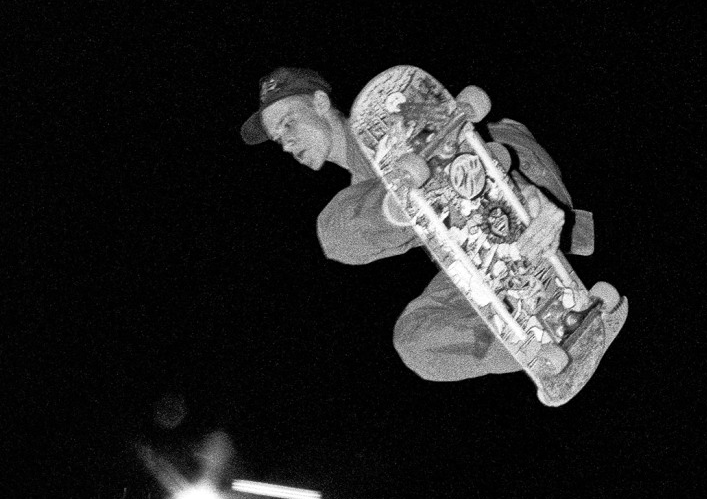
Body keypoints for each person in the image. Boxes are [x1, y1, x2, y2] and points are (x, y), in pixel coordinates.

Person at [240, 66, 626, 382]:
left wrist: (524, 192)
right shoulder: (363, 190)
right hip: (478, 246)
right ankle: (545, 348)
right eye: (278, 139)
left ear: (321, 102)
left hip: (517, 164)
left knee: (335, 228)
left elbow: (472, 139)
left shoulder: (385, 121)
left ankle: (413, 196)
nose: (286, 143)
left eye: (288, 123)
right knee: (417, 341)